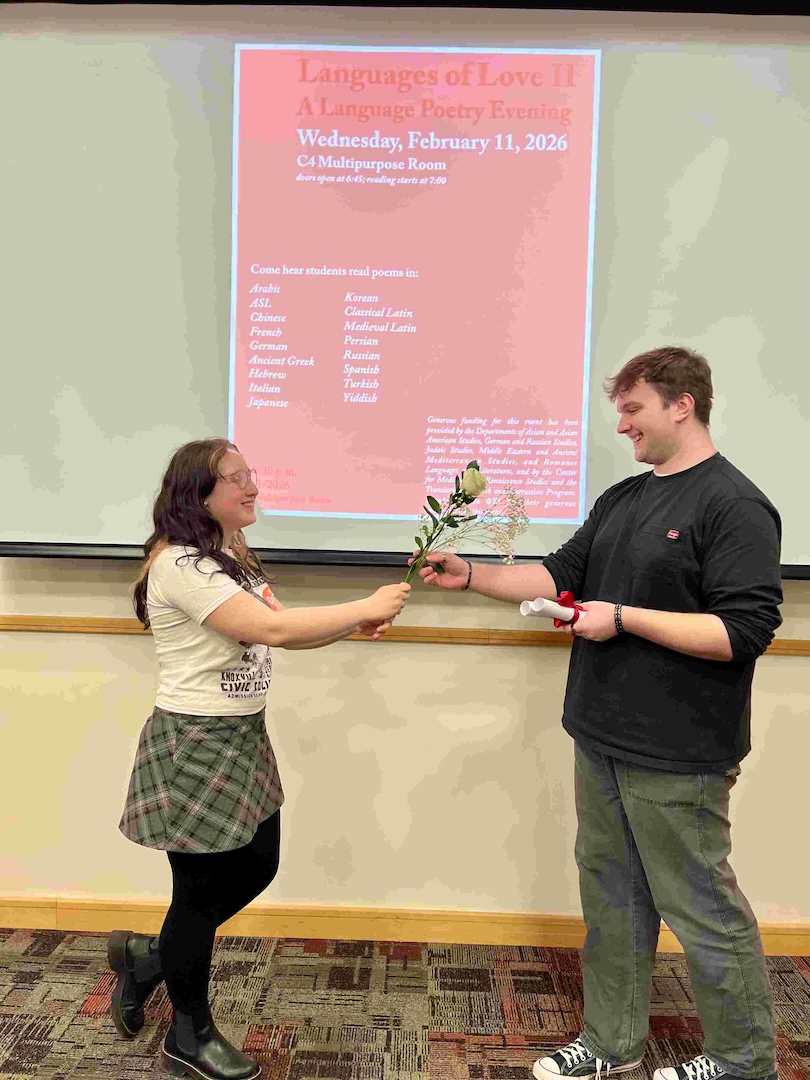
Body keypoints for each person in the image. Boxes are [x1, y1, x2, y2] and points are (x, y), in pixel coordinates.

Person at [415, 348, 781, 1080]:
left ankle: (744, 1060)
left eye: (633, 408)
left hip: (680, 751)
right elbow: (557, 573)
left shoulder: (734, 504)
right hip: (600, 734)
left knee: (701, 904)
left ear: (682, 404)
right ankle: (612, 1045)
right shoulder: (625, 499)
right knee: (611, 898)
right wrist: (471, 577)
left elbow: (741, 632)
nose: (622, 426)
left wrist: (622, 617)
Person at [109, 438, 410, 1080]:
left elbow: (283, 628)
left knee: (259, 864)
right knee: (195, 896)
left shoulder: (230, 558)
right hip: (194, 741)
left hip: (242, 736)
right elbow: (271, 631)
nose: (252, 486)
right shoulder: (181, 566)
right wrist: (364, 606)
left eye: (251, 474)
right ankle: (189, 1034)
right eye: (235, 478)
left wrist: (350, 624)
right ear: (199, 493)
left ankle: (150, 958)